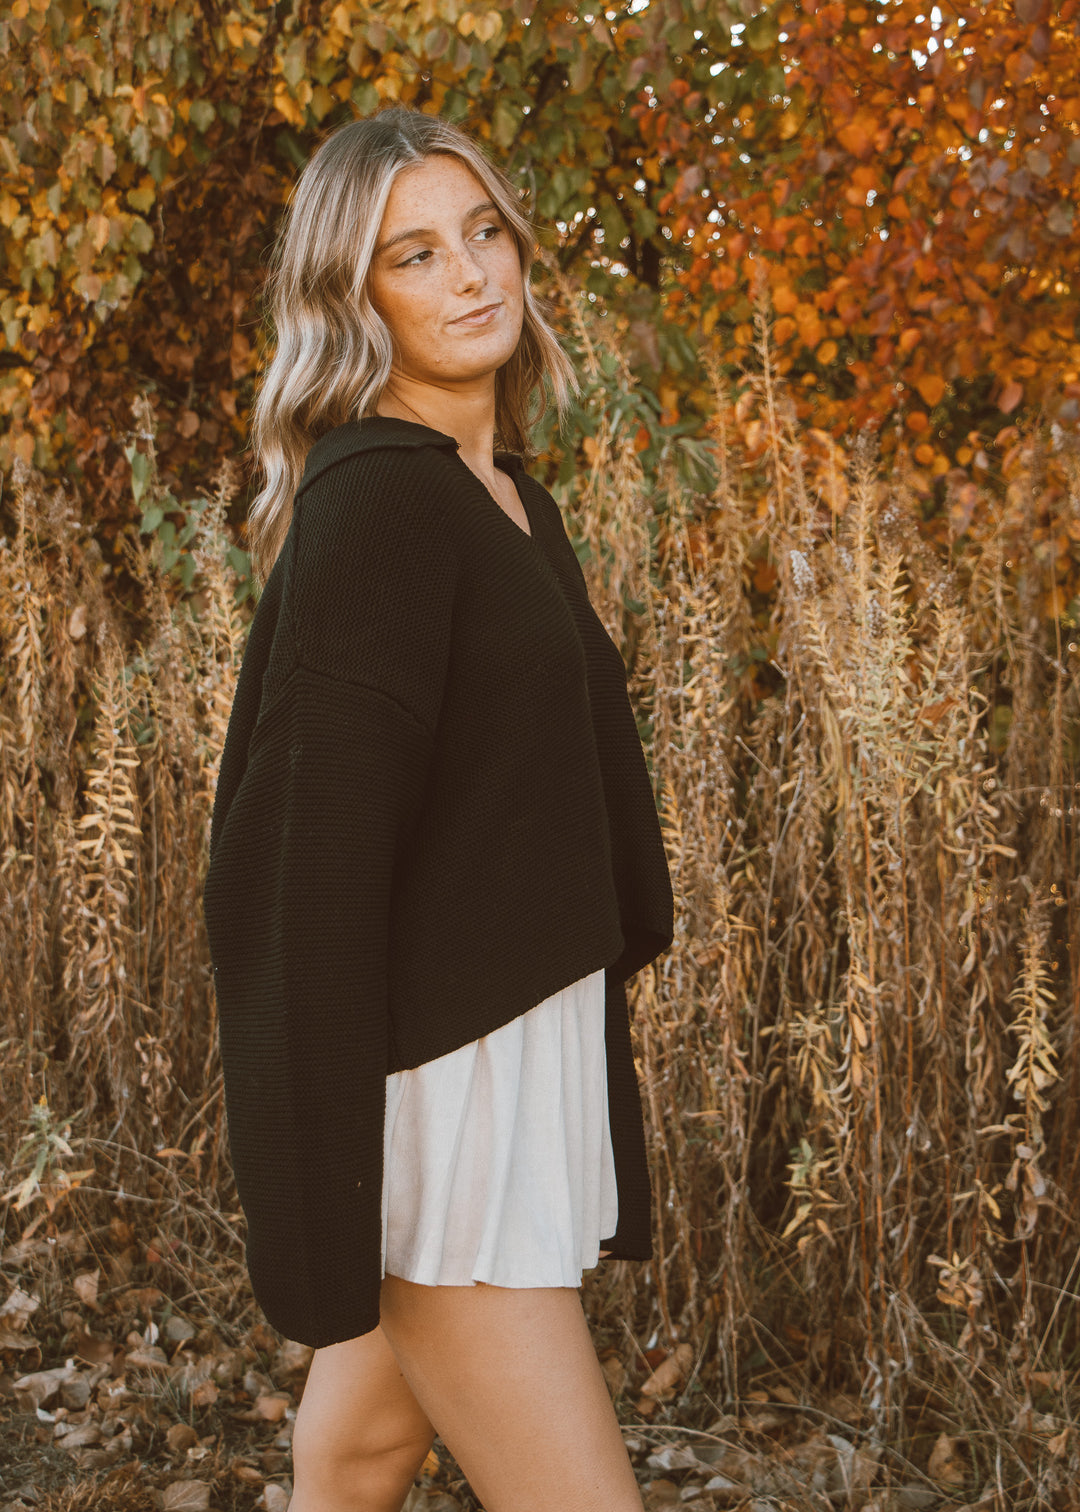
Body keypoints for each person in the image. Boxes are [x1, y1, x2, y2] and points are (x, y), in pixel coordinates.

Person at [201, 105, 673, 1512]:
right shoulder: (382, 511)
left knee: (351, 1460)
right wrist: (323, 1159)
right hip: (439, 1100)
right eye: (415, 254)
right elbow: (298, 871)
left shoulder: (503, 494)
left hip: (515, 1046)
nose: (472, 276)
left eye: (484, 234)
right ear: (354, 298)